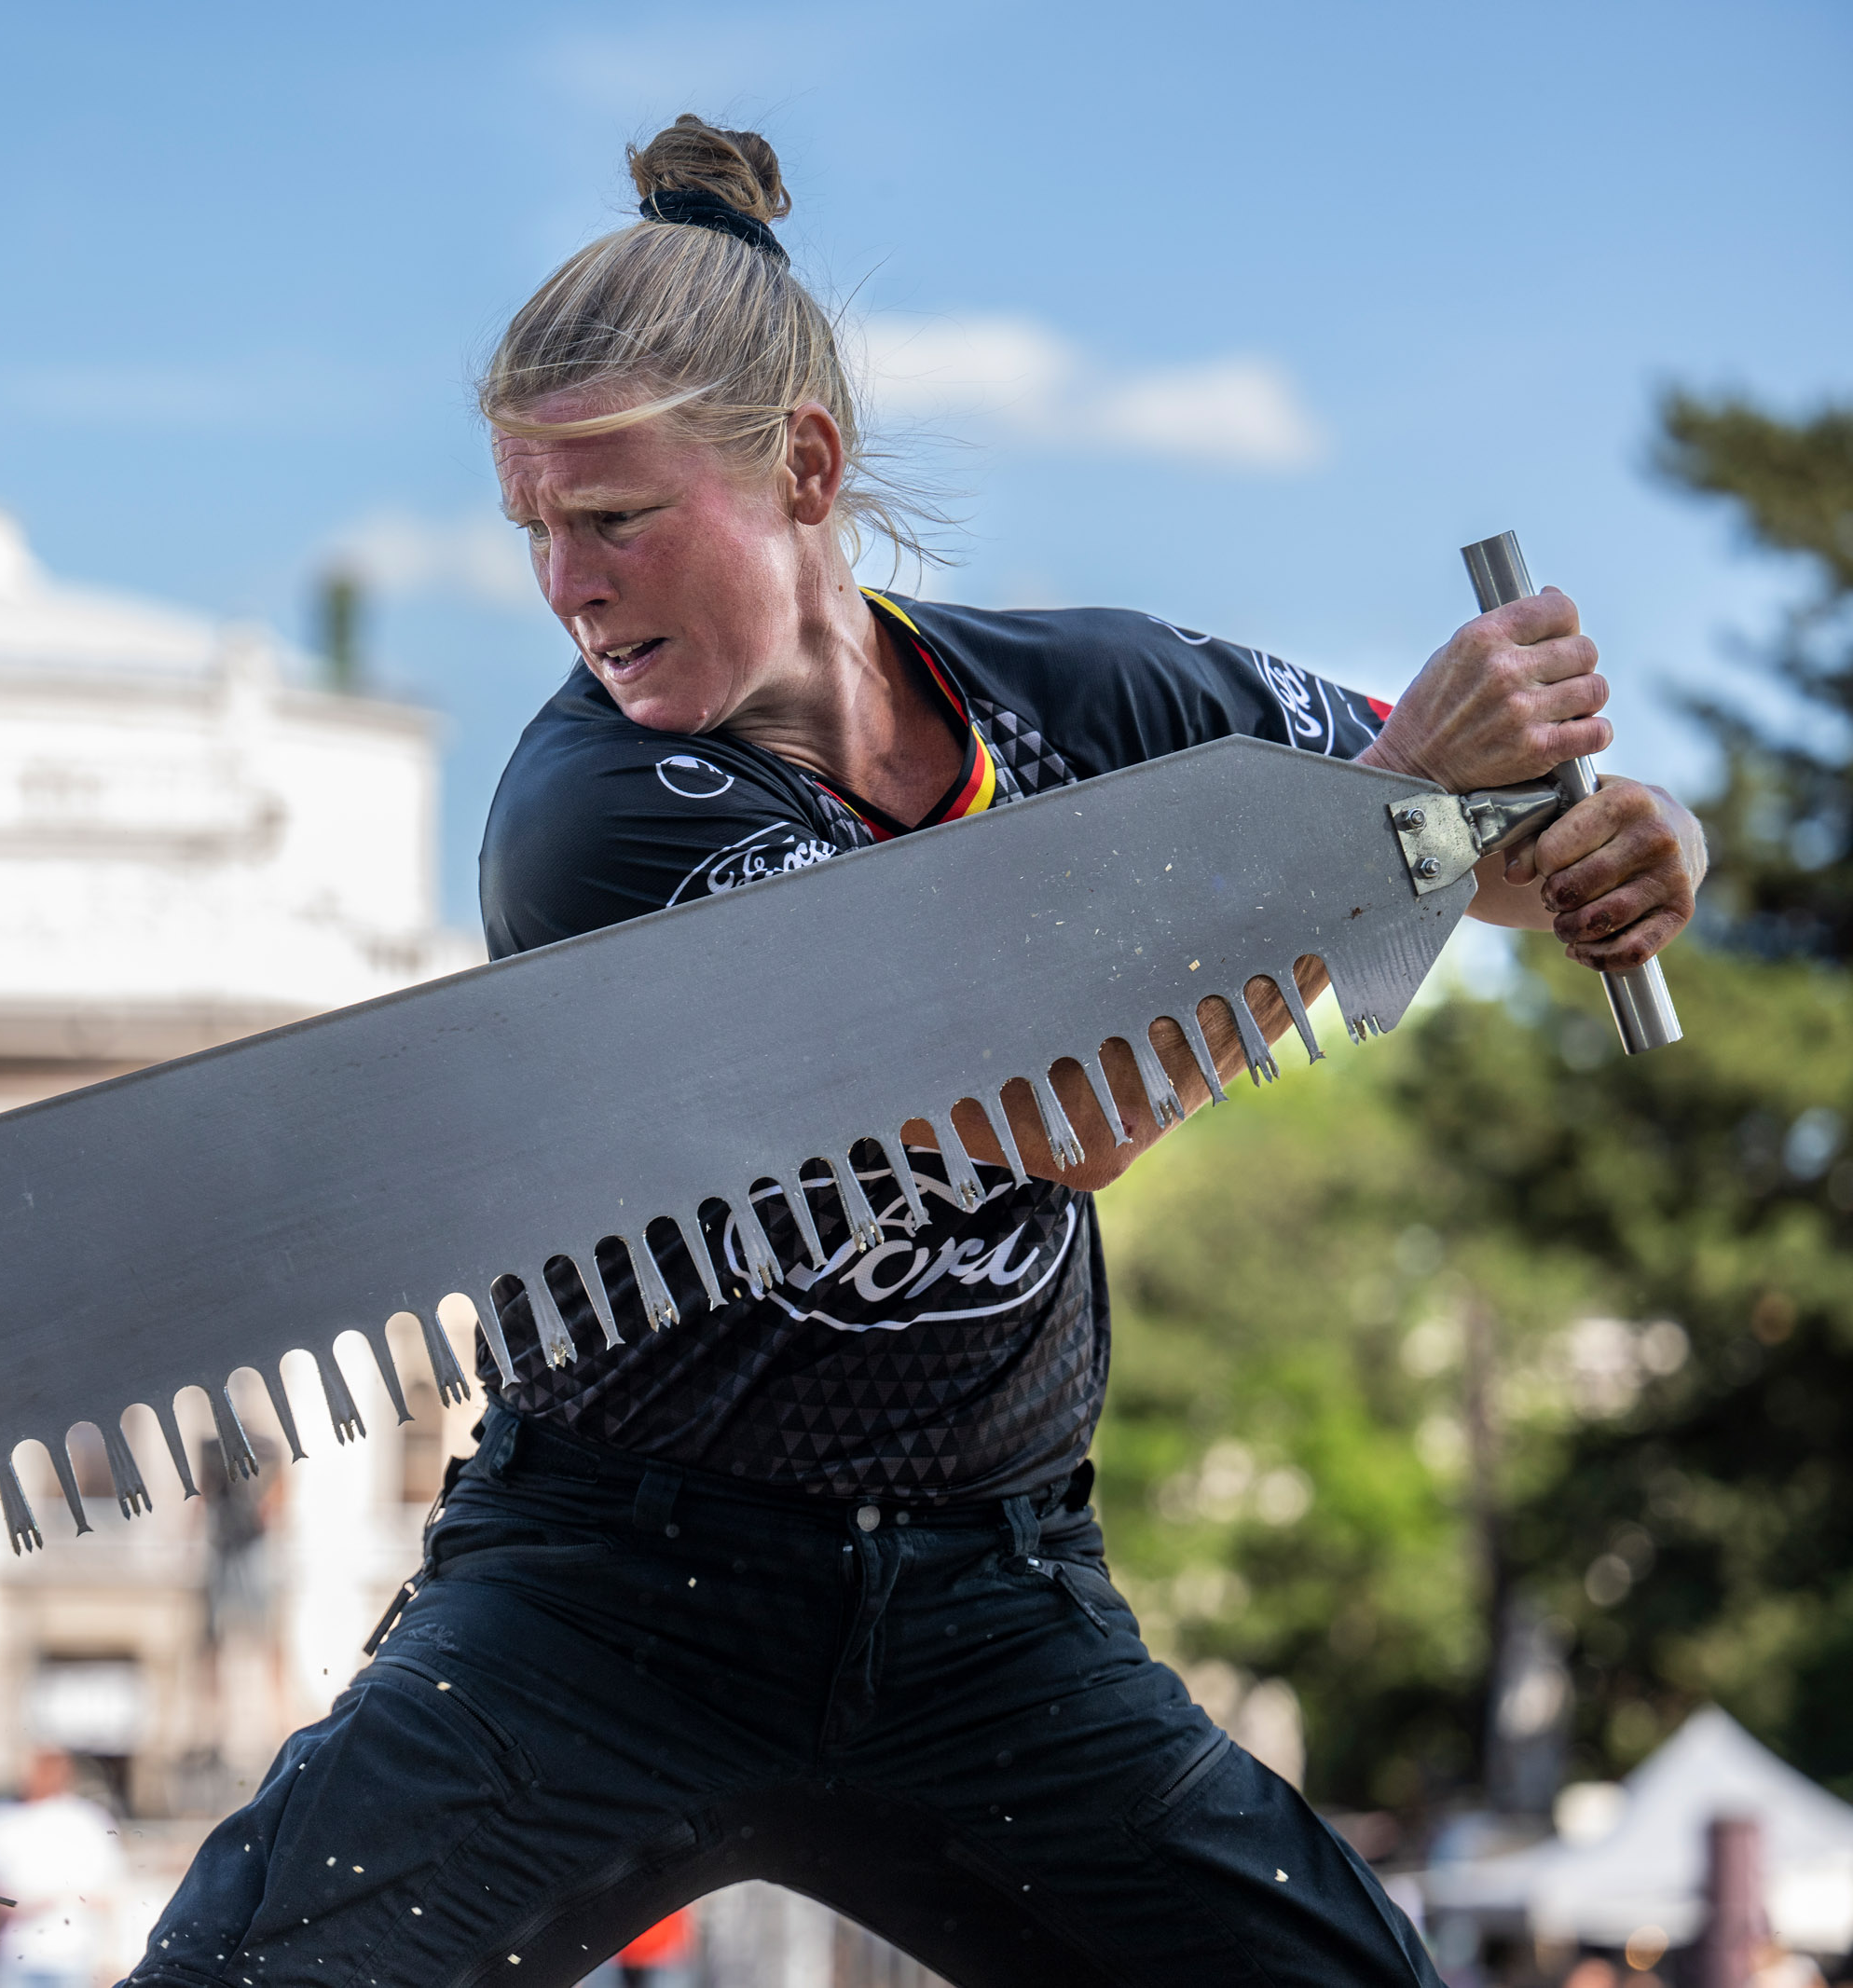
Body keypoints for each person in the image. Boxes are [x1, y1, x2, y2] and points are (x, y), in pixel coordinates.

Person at [125, 117, 1705, 1988]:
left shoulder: (1092, 699)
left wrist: (1614, 845)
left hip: (989, 1597)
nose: (565, 583)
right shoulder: (598, 813)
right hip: (610, 1597)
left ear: (803, 466)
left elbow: (1481, 817)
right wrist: (1399, 815)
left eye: (615, 519)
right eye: (532, 529)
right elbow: (1055, 1104)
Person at [0, 1748, 124, 1988]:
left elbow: (112, 1892)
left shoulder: (88, 1820)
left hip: (76, 1960)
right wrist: (12, 1904)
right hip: (12, 1958)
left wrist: (110, 1956)